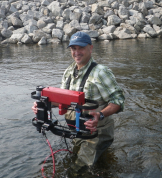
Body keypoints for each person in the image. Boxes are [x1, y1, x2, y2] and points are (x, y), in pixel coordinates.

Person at [32, 31, 125, 169]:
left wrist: (100, 115)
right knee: (79, 161)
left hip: (97, 132)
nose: (77, 52)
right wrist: (43, 105)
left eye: (81, 48)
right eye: (73, 48)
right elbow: (62, 101)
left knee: (78, 170)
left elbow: (118, 101)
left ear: (90, 48)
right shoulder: (68, 72)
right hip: (76, 131)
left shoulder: (101, 72)